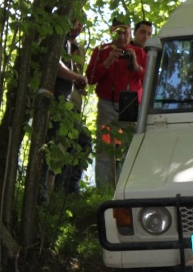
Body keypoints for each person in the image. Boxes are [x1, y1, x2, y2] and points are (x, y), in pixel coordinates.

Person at [85, 17, 147, 188]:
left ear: (130, 33)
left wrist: (135, 65)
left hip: (131, 105)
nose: (122, 37)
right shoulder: (101, 51)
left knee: (130, 147)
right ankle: (105, 189)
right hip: (107, 106)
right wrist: (107, 62)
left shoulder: (139, 53)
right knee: (106, 147)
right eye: (118, 32)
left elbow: (150, 79)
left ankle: (127, 188)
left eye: (125, 32)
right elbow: (89, 79)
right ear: (112, 32)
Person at [40, 19, 89, 203]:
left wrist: (77, 81)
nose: (77, 27)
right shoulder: (56, 36)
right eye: (74, 22)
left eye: (80, 23)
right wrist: (76, 77)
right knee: (50, 146)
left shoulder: (70, 43)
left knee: (80, 141)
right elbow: (55, 64)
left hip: (66, 102)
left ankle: (65, 190)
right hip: (53, 100)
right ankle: (43, 194)